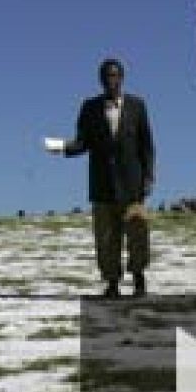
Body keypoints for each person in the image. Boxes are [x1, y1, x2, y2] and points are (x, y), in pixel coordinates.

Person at [45, 59, 156, 297]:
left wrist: (148, 179)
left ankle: (139, 279)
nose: (111, 80)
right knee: (106, 239)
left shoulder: (137, 106)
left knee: (138, 234)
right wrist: (63, 147)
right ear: (101, 80)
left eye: (115, 75)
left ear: (122, 78)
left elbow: (147, 146)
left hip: (132, 185)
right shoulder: (90, 107)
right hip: (102, 184)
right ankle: (112, 283)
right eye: (106, 76)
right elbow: (83, 142)